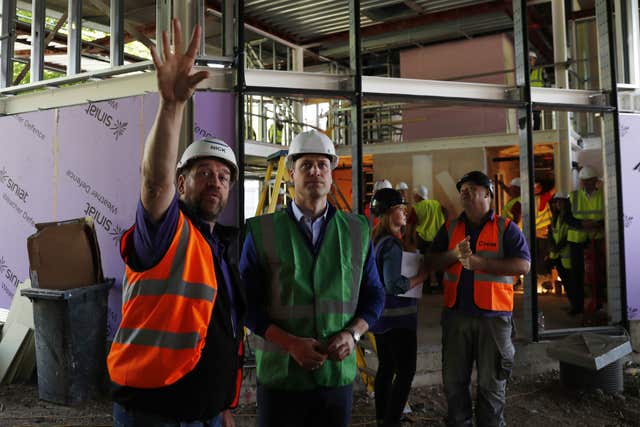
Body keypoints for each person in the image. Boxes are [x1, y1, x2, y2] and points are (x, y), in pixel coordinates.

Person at [106, 20, 246, 427]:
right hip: (156, 415)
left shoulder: (219, 246)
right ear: (182, 182)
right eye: (204, 172)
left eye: (223, 176)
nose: (215, 182)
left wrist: (223, 405)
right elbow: (154, 181)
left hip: (205, 414)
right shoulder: (166, 232)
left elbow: (220, 328)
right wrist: (171, 106)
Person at [240, 130, 385, 427]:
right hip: (282, 379)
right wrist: (291, 343)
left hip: (336, 378)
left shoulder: (357, 230)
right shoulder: (260, 231)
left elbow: (375, 294)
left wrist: (353, 334)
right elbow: (246, 303)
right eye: (306, 165)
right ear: (292, 173)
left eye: (323, 165)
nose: (315, 171)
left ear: (331, 175)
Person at [426, 171, 530, 427]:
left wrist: (481, 263)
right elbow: (430, 261)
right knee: (454, 382)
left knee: (491, 385)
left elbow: (523, 265)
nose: (464, 191)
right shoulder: (450, 227)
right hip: (456, 316)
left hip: (493, 320)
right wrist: (453, 254)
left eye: (471, 187)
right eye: (462, 188)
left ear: (487, 194)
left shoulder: (506, 228)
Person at [369, 188, 428, 427]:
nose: (404, 212)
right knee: (405, 372)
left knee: (386, 368)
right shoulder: (392, 245)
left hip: (381, 320)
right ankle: (391, 420)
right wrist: (420, 277)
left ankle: (383, 417)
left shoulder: (377, 240)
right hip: (398, 321)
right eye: (399, 209)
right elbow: (394, 284)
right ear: (386, 214)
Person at [567, 165, 605, 314]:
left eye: (589, 181)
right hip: (577, 240)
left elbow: (609, 214)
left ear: (595, 181)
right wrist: (582, 224)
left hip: (596, 239)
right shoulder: (573, 196)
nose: (586, 184)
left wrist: (598, 225)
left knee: (598, 273)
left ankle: (598, 303)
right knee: (576, 274)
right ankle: (577, 306)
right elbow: (567, 218)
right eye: (584, 181)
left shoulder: (603, 195)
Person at [548, 192, 574, 307]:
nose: (557, 204)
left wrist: (558, 247)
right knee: (565, 281)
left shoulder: (570, 217)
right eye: (556, 202)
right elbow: (552, 233)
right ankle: (572, 303)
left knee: (571, 282)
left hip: (567, 254)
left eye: (560, 201)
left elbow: (568, 235)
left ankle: (575, 305)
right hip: (557, 256)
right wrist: (552, 246)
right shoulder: (556, 218)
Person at [529, 51, 545, 130]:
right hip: (527, 95)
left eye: (532, 59)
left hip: (538, 95)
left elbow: (546, 82)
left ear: (535, 60)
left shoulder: (540, 70)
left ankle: (536, 131)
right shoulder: (524, 71)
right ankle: (526, 130)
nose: (531, 60)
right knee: (526, 114)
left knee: (536, 115)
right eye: (529, 59)